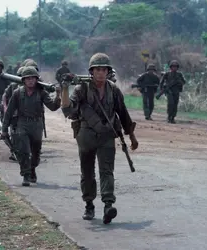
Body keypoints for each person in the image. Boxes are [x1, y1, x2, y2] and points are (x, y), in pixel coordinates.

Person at [61, 53, 139, 224]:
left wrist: (131, 136)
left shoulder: (114, 90)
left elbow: (123, 114)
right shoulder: (82, 89)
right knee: (87, 172)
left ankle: (108, 205)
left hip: (106, 136)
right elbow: (68, 110)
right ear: (91, 71)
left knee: (107, 171)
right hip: (86, 135)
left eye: (104, 69)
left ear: (108, 71)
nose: (101, 73)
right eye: (97, 69)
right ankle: (89, 205)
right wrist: (65, 88)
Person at [1, 66, 61, 186]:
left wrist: (59, 94)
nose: (30, 81)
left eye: (33, 78)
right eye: (28, 78)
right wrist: (4, 130)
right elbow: (9, 112)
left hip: (36, 124)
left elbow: (53, 107)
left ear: (36, 79)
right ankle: (26, 175)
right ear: (23, 80)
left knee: (35, 152)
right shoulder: (18, 93)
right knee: (23, 151)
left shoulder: (41, 92)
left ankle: (32, 169)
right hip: (22, 123)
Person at [2, 66, 25, 161]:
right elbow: (5, 96)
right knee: (14, 133)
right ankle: (13, 151)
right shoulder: (13, 86)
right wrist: (5, 107)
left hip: (26, 115)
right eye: (20, 76)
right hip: (14, 114)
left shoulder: (33, 87)